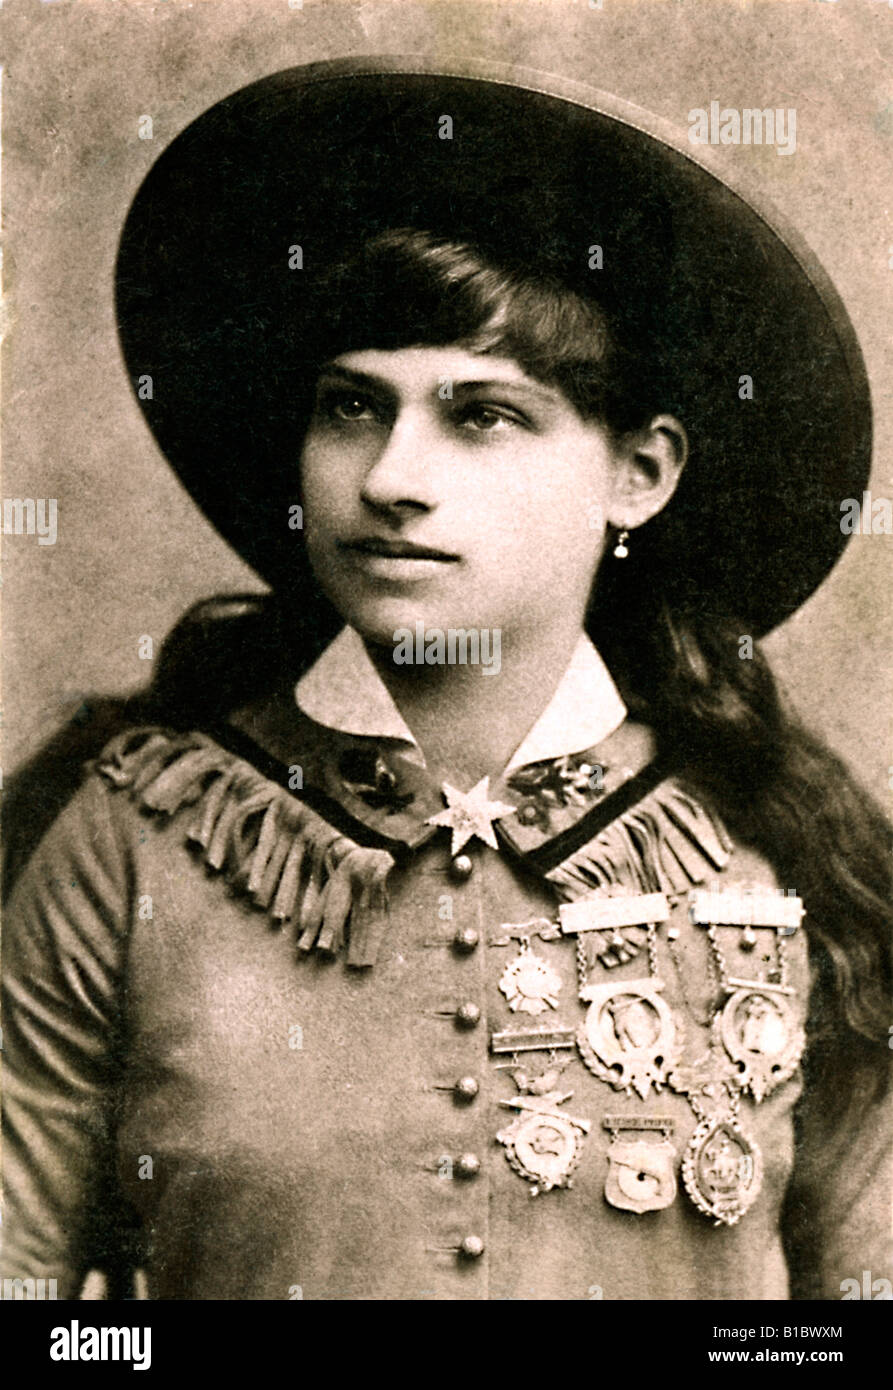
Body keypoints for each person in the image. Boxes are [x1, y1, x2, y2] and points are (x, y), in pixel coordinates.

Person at [2, 57, 890, 1302]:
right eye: (352, 406)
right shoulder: (130, 843)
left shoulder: (780, 854)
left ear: (636, 473)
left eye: (480, 417)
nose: (390, 477)